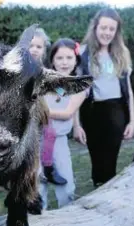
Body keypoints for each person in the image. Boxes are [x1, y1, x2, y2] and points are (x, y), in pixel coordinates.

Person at [76, 8, 134, 187]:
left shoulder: (122, 53)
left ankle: (109, 196)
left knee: (111, 160)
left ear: (116, 31)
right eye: (103, 28)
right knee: (97, 160)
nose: (107, 32)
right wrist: (77, 124)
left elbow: (129, 90)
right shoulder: (83, 53)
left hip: (116, 111)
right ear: (95, 28)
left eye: (112, 29)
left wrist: (132, 121)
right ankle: (98, 191)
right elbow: (74, 90)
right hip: (91, 111)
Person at [39, 38, 87, 209]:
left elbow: (68, 112)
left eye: (69, 58)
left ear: (76, 60)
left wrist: (38, 113)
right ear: (52, 60)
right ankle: (38, 225)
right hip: (36, 140)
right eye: (59, 58)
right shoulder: (44, 80)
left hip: (59, 141)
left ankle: (67, 220)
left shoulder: (79, 86)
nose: (64, 62)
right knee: (37, 190)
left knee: (66, 189)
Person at [29, 28, 67, 185]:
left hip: (41, 111)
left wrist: (61, 91)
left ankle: (48, 168)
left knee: (50, 133)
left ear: (44, 50)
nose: (34, 50)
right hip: (23, 112)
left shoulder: (43, 71)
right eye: (31, 46)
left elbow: (54, 86)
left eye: (39, 47)